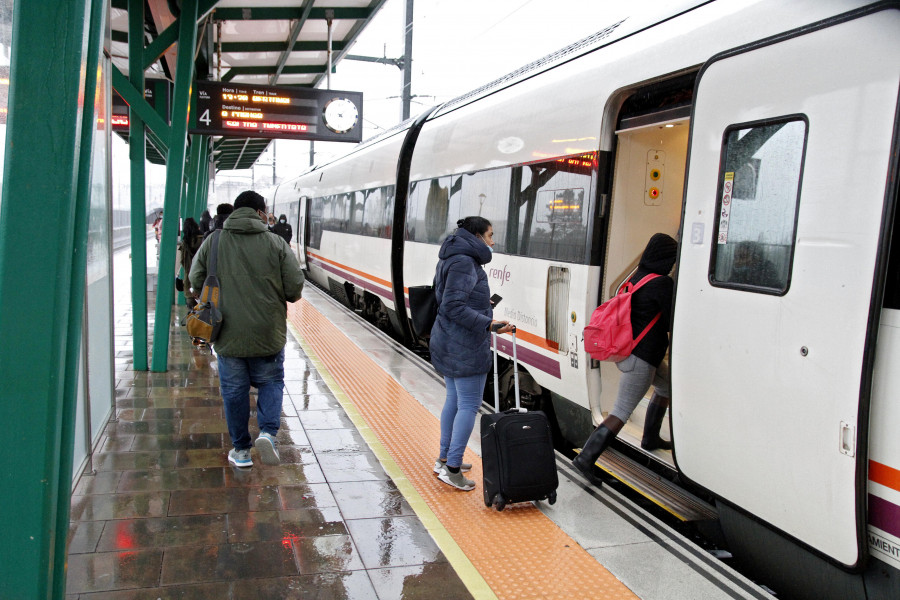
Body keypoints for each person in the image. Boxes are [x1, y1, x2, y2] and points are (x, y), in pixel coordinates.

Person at [189, 190, 305, 469]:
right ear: (260, 213)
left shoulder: (213, 241)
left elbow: (195, 280)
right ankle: (267, 433)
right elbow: (294, 288)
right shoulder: (276, 243)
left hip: (227, 332)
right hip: (268, 331)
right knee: (271, 381)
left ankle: (241, 451)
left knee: (233, 391)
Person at [573, 233, 678, 486]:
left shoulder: (638, 276)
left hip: (635, 353)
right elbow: (671, 318)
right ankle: (586, 459)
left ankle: (650, 437)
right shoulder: (661, 283)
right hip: (641, 359)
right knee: (621, 412)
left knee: (666, 387)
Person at [429, 216, 512, 491]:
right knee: (468, 405)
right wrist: (488, 323)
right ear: (476, 236)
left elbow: (449, 298)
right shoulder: (466, 261)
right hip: (464, 343)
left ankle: (444, 458)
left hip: (450, 339)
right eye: (489, 235)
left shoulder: (452, 255)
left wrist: (482, 306)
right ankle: (452, 468)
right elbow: (453, 305)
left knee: (454, 399)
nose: (492, 240)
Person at [179, 217, 204, 310]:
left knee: (192, 311)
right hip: (202, 279)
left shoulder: (185, 244)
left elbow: (183, 262)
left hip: (189, 282)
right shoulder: (204, 240)